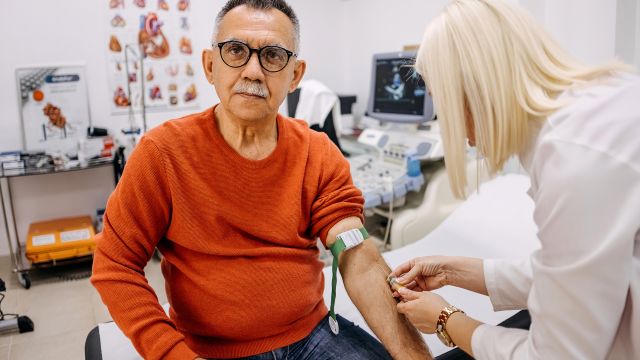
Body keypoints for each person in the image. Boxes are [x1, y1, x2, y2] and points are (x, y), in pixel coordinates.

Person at [91, 1, 429, 359]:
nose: (253, 71)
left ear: (295, 75)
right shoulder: (162, 154)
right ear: (210, 65)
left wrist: (415, 357)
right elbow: (115, 264)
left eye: (272, 56)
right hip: (212, 349)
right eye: (236, 50)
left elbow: (357, 256)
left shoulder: (318, 153)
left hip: (312, 334)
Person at [389, 0, 640, 359]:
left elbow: (556, 356)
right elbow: (571, 275)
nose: (447, 121)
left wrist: (445, 318)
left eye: (438, 98)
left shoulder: (574, 157)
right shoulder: (591, 112)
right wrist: (450, 271)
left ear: (472, 86)